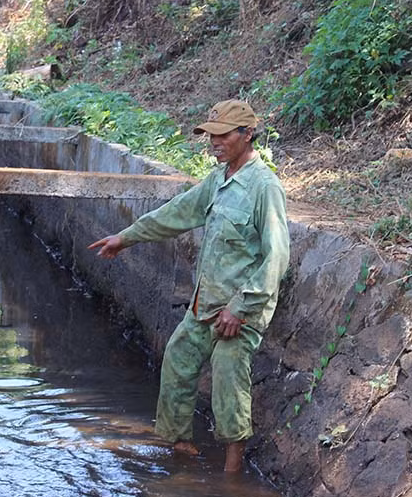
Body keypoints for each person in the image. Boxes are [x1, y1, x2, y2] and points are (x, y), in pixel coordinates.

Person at [89, 99, 290, 472]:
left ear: (247, 135)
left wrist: (240, 308)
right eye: (209, 135)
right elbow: (177, 213)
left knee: (229, 381)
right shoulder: (218, 179)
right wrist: (126, 237)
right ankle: (180, 447)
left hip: (239, 312)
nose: (213, 142)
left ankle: (232, 474)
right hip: (206, 305)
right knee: (178, 361)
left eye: (222, 135)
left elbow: (276, 257)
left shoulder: (264, 188)